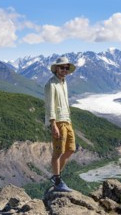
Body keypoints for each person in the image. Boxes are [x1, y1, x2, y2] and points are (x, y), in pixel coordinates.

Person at [44, 56, 76, 192]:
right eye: (62, 67)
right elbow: (50, 105)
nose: (65, 70)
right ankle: (57, 180)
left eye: (66, 68)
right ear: (56, 68)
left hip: (67, 120)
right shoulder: (51, 84)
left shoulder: (63, 83)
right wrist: (53, 124)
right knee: (58, 152)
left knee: (70, 150)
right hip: (58, 121)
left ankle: (57, 176)